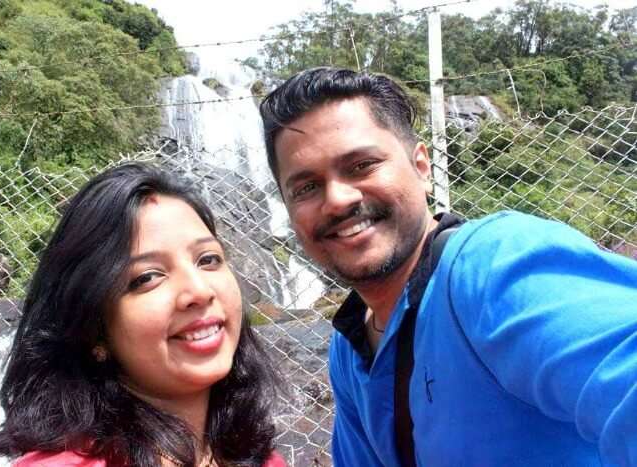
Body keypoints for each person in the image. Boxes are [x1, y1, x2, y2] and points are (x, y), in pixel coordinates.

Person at [259, 67, 637, 466]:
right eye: (306, 188)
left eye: (362, 165)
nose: (336, 199)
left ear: (422, 167)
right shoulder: (350, 345)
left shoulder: (493, 265)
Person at [0, 163, 286, 467]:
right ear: (93, 328)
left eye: (208, 259)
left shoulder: (262, 459)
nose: (199, 291)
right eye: (147, 277)